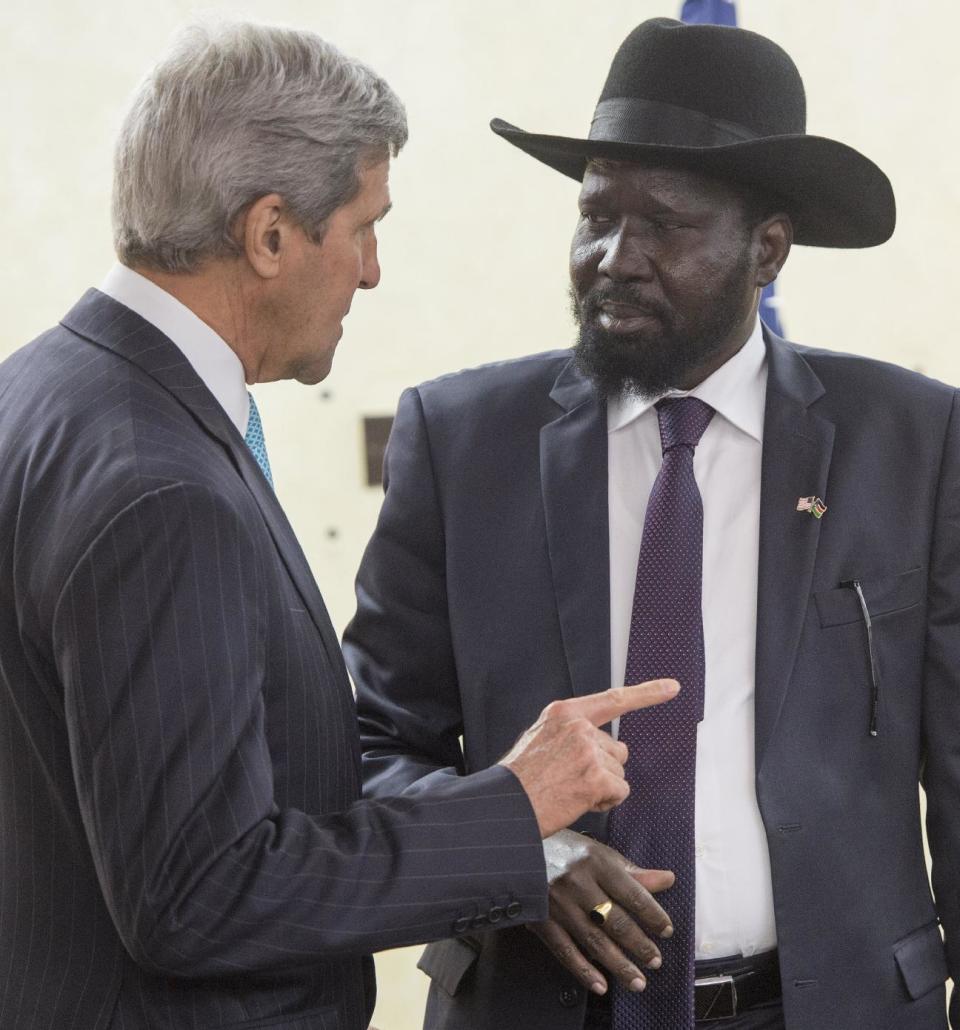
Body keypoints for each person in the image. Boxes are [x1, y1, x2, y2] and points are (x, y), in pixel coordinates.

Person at [0, 21, 683, 1030]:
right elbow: (197, 895)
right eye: (364, 226)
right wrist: (513, 810)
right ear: (270, 233)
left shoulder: (43, 390)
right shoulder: (164, 488)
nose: (371, 271)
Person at [344, 17, 960, 1030]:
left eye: (664, 225)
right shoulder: (461, 442)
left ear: (767, 248)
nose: (612, 259)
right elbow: (367, 742)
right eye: (595, 217)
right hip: (536, 1006)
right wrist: (515, 844)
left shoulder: (913, 439)